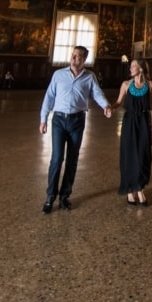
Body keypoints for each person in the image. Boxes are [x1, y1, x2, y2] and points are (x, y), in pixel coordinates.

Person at [39, 46, 113, 214]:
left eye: (78, 56)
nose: (73, 57)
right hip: (58, 120)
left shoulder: (89, 77)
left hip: (77, 121)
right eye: (73, 54)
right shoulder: (58, 75)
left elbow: (97, 93)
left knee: (72, 160)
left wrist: (106, 106)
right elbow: (49, 97)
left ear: (84, 59)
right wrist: (43, 119)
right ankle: (50, 197)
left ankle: (65, 196)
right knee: (57, 158)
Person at [110, 59, 152, 206]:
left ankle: (140, 188)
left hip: (144, 122)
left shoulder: (150, 85)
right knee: (129, 156)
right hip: (129, 123)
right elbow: (118, 102)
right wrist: (110, 107)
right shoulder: (126, 84)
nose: (130, 68)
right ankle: (131, 192)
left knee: (144, 156)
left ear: (141, 68)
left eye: (134, 66)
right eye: (130, 66)